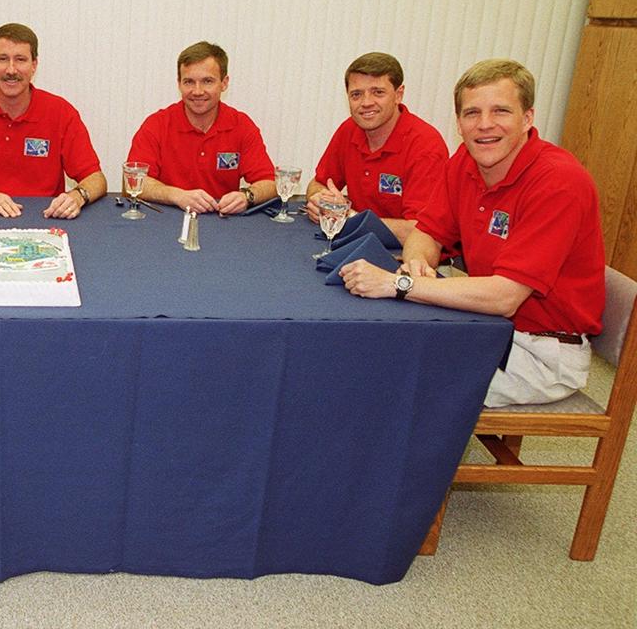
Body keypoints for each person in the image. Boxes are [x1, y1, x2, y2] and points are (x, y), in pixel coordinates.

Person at [340, 59, 605, 407]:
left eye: (501, 111)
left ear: (527, 118)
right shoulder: (466, 161)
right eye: (472, 113)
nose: (484, 125)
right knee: (362, 345)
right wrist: (418, 261)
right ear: (459, 123)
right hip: (484, 325)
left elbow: (504, 297)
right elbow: (427, 232)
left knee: (381, 375)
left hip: (539, 352)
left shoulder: (559, 182)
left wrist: (400, 283)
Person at [0, 23, 106, 219]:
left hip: (45, 220)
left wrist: (78, 196)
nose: (11, 70)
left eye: (20, 60)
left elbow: (96, 179)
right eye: (3, 59)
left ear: (34, 65)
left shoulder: (60, 112)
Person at [304, 52, 449, 242]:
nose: (366, 103)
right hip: (357, 242)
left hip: (410, 257)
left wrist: (351, 218)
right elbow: (318, 183)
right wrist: (320, 201)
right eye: (356, 94)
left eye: (378, 92)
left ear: (399, 95)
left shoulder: (425, 145)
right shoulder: (349, 129)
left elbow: (421, 232)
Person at [126, 41, 277, 215]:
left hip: (223, 222)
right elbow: (133, 182)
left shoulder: (241, 125)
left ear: (224, 83)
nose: (197, 91)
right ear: (179, 83)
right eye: (189, 82)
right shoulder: (157, 124)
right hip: (166, 220)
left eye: (207, 81)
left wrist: (247, 196)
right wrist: (177, 195)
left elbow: (270, 182)